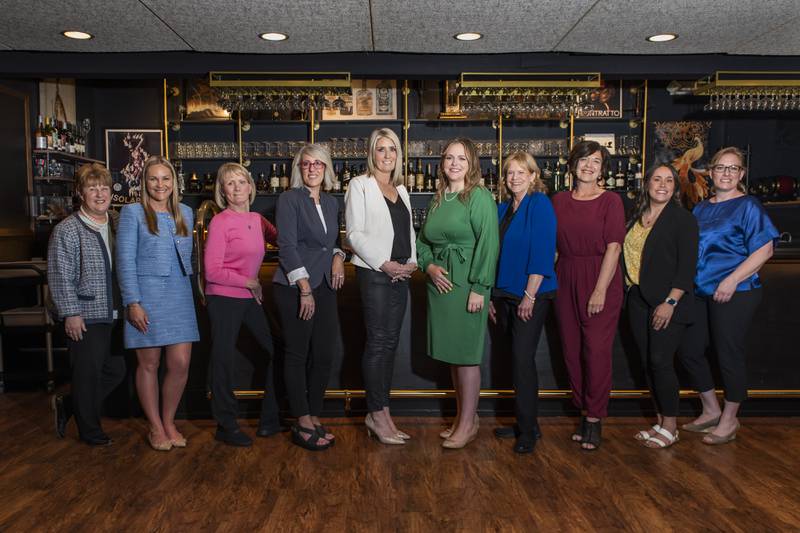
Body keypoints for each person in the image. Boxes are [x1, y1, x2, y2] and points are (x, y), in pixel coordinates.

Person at [679, 147, 778, 444]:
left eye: (733, 169)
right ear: (710, 172)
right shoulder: (701, 207)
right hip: (700, 290)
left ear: (741, 174)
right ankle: (710, 409)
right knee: (689, 351)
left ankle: (730, 418)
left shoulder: (748, 206)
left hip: (735, 291)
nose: (726, 173)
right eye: (721, 167)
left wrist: (732, 280)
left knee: (727, 353)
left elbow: (766, 249)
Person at [417, 137, 499, 450]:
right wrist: (429, 267)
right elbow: (423, 242)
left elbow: (489, 244)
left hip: (467, 283)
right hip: (440, 285)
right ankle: (463, 418)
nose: (454, 164)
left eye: (461, 159)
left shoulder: (478, 196)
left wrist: (480, 288)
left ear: (472, 164)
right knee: (453, 356)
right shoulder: (438, 198)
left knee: (466, 357)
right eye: (449, 158)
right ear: (442, 164)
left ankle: (468, 423)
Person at [117, 156, 198, 451]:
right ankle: (155, 426)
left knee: (180, 363)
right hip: (146, 296)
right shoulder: (133, 212)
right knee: (149, 364)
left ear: (173, 183)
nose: (160, 184)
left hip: (179, 293)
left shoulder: (186, 213)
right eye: (153, 179)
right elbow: (124, 260)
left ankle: (169, 420)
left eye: (165, 178)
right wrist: (132, 302)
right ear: (144, 182)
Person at [552, 140, 625, 451]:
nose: (589, 166)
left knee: (595, 351)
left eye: (596, 161)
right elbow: (553, 248)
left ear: (602, 169)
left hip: (600, 276)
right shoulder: (557, 200)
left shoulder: (611, 201)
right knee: (571, 351)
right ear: (572, 165)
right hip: (565, 276)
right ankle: (583, 410)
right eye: (584, 160)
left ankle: (595, 418)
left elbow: (614, 247)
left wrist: (599, 289)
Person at [345, 128, 417, 445]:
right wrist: (384, 263)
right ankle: (376, 413)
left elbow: (409, 232)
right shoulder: (359, 185)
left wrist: (411, 262)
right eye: (380, 149)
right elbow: (354, 234)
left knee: (389, 345)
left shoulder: (401, 189)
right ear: (371, 153)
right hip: (375, 273)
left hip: (400, 274)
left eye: (392, 150)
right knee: (376, 343)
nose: (387, 155)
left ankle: (384, 412)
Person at [273, 143, 345, 451]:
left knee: (325, 355)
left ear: (327, 169)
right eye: (307, 164)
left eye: (319, 164)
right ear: (299, 169)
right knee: (298, 354)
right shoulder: (289, 199)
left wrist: (340, 255)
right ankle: (301, 420)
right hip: (295, 288)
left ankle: (314, 414)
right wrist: (304, 288)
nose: (313, 168)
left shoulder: (330, 202)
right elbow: (287, 246)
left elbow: (333, 241)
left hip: (325, 285)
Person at [48, 163, 126, 446]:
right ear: (80, 193)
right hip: (85, 313)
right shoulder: (67, 229)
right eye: (92, 188)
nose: (99, 193)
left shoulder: (117, 222)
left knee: (115, 370)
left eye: (104, 187)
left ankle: (70, 405)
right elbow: (59, 275)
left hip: (115, 311)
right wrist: (70, 313)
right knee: (87, 374)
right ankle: (90, 431)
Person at [204, 162, 281, 447]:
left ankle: (269, 419)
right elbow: (211, 271)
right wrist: (250, 282)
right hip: (223, 297)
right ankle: (226, 424)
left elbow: (281, 239)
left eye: (241, 181)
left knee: (277, 350)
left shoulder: (257, 220)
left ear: (251, 186)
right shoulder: (220, 221)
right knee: (223, 360)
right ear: (223, 191)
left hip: (248, 296)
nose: (236, 187)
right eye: (230, 183)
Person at [622, 164, 698, 449]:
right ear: (647, 184)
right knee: (646, 363)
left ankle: (670, 425)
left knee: (660, 362)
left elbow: (687, 266)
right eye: (657, 179)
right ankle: (659, 420)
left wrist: (670, 301)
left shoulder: (683, 219)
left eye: (669, 180)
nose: (663, 185)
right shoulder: (636, 216)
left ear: (676, 187)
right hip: (637, 299)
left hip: (668, 302)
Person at [488, 152, 557, 454]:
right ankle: (525, 421)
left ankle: (528, 430)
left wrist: (529, 295)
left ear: (533, 176)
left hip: (530, 294)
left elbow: (543, 251)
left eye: (521, 172)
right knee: (511, 360)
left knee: (522, 361)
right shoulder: (503, 208)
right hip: (504, 294)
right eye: (509, 173)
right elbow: (494, 255)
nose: (514, 178)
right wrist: (492, 294)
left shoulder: (539, 203)